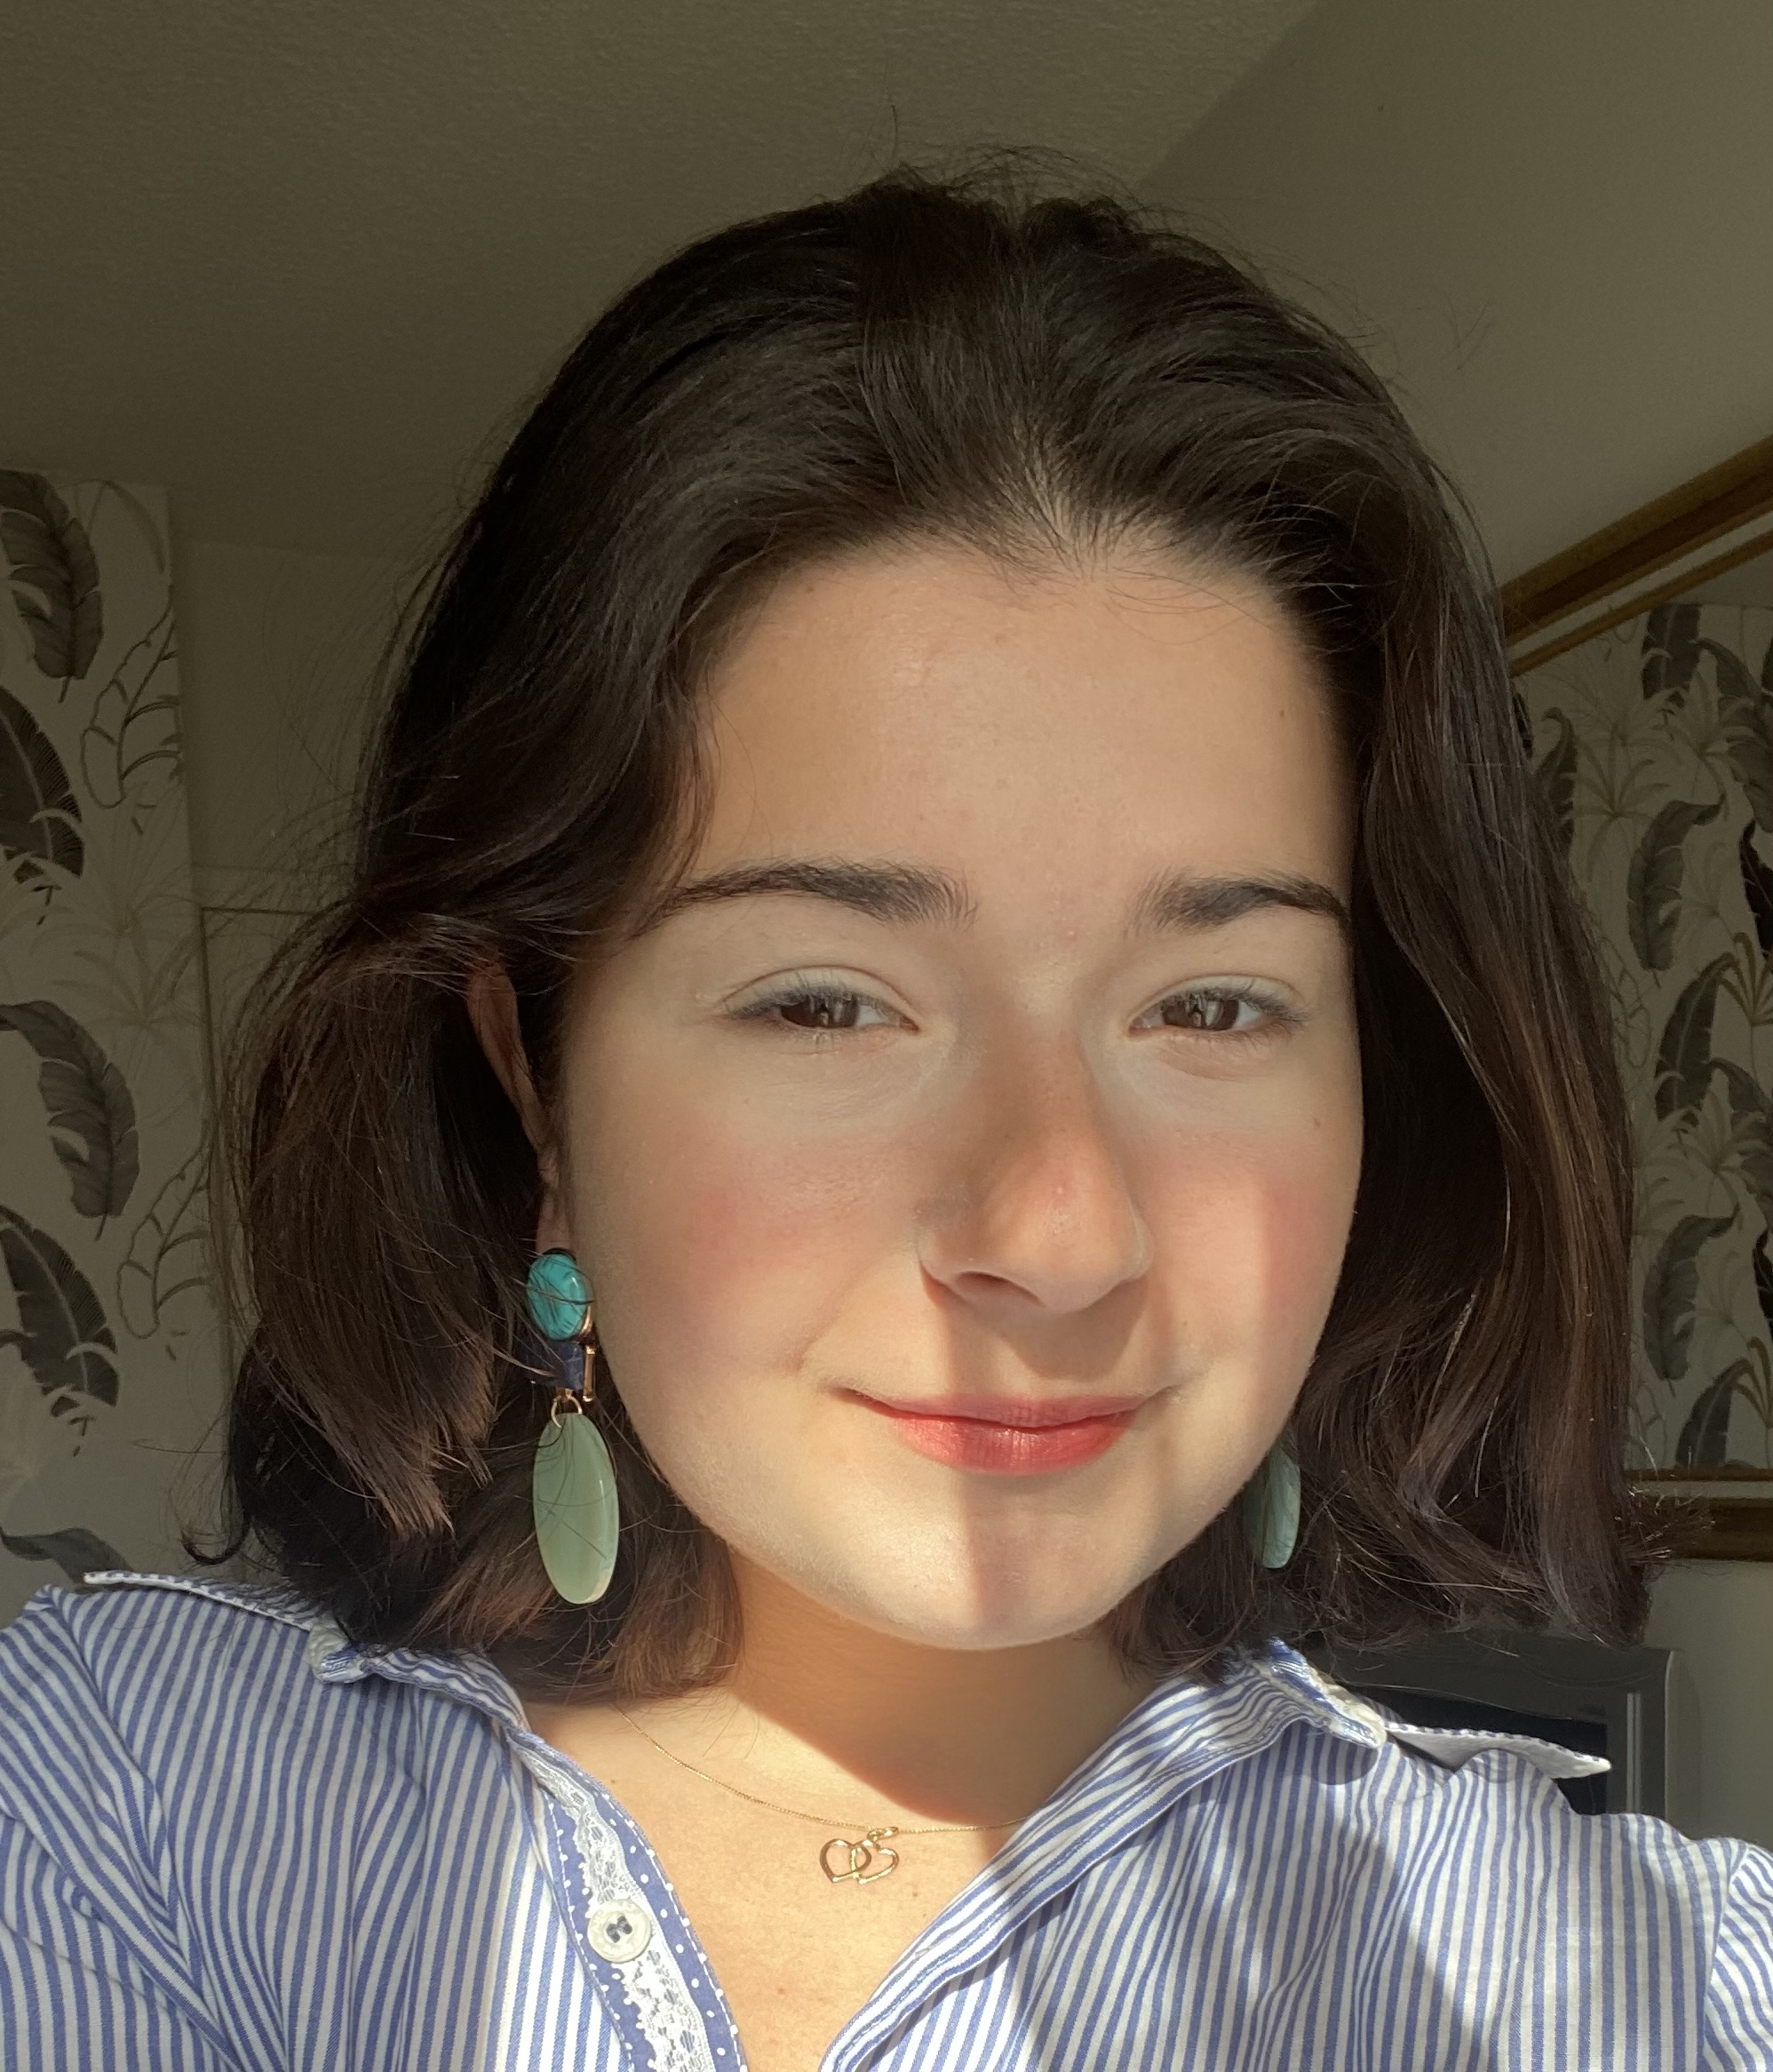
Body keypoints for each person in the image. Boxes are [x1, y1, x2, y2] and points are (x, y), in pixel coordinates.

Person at [1, 160, 1769, 2072]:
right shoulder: (129, 1801)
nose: (1058, 1233)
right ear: (532, 1083)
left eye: (1208, 1003)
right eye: (826, 1001)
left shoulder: (1651, 1984)